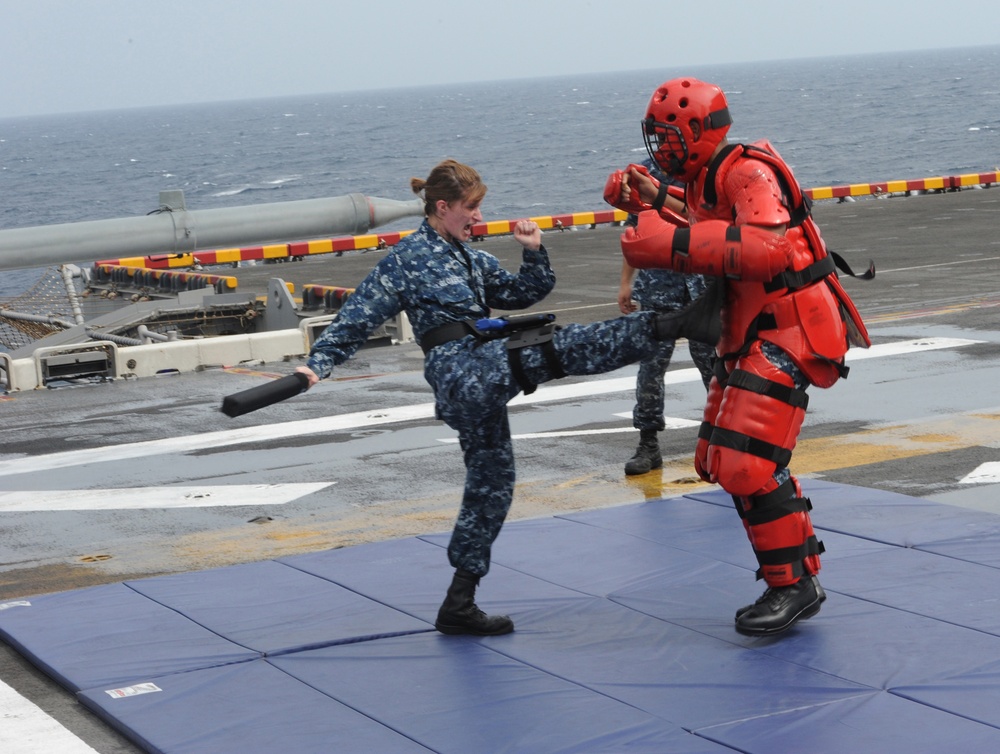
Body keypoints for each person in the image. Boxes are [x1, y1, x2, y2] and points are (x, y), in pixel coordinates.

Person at [295, 158, 718, 636]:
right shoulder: (406, 260)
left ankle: (460, 600)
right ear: (442, 207)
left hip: (484, 365)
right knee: (550, 349)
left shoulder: (473, 259)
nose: (478, 216)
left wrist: (534, 251)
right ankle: (673, 323)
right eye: (470, 208)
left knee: (493, 483)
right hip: (460, 373)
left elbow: (525, 292)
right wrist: (316, 365)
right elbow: (356, 317)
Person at [605, 78, 871, 636]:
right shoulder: (707, 179)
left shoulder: (748, 172)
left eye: (672, 139)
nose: (664, 150)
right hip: (753, 329)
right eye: (659, 139)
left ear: (701, 132)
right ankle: (791, 577)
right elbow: (711, 226)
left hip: (791, 330)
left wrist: (665, 242)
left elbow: (765, 246)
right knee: (721, 461)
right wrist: (651, 202)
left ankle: (794, 585)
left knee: (748, 462)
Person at [611, 158, 715, 476]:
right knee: (651, 371)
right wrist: (626, 283)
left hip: (701, 288)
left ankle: (725, 438)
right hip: (658, 289)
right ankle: (648, 444)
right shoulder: (644, 176)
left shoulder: (704, 173)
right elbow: (635, 231)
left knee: (715, 370)